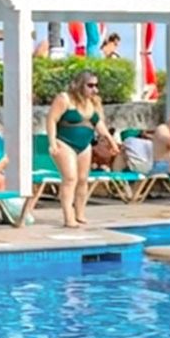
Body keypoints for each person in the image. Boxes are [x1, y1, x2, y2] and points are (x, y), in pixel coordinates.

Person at [46, 70, 113, 227]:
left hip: (84, 144)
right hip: (64, 142)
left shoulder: (91, 102)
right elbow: (51, 119)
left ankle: (80, 213)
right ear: (80, 85)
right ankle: (68, 216)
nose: (94, 90)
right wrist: (52, 142)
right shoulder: (64, 99)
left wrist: (111, 141)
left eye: (96, 86)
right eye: (90, 86)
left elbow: (98, 124)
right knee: (70, 178)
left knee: (83, 180)